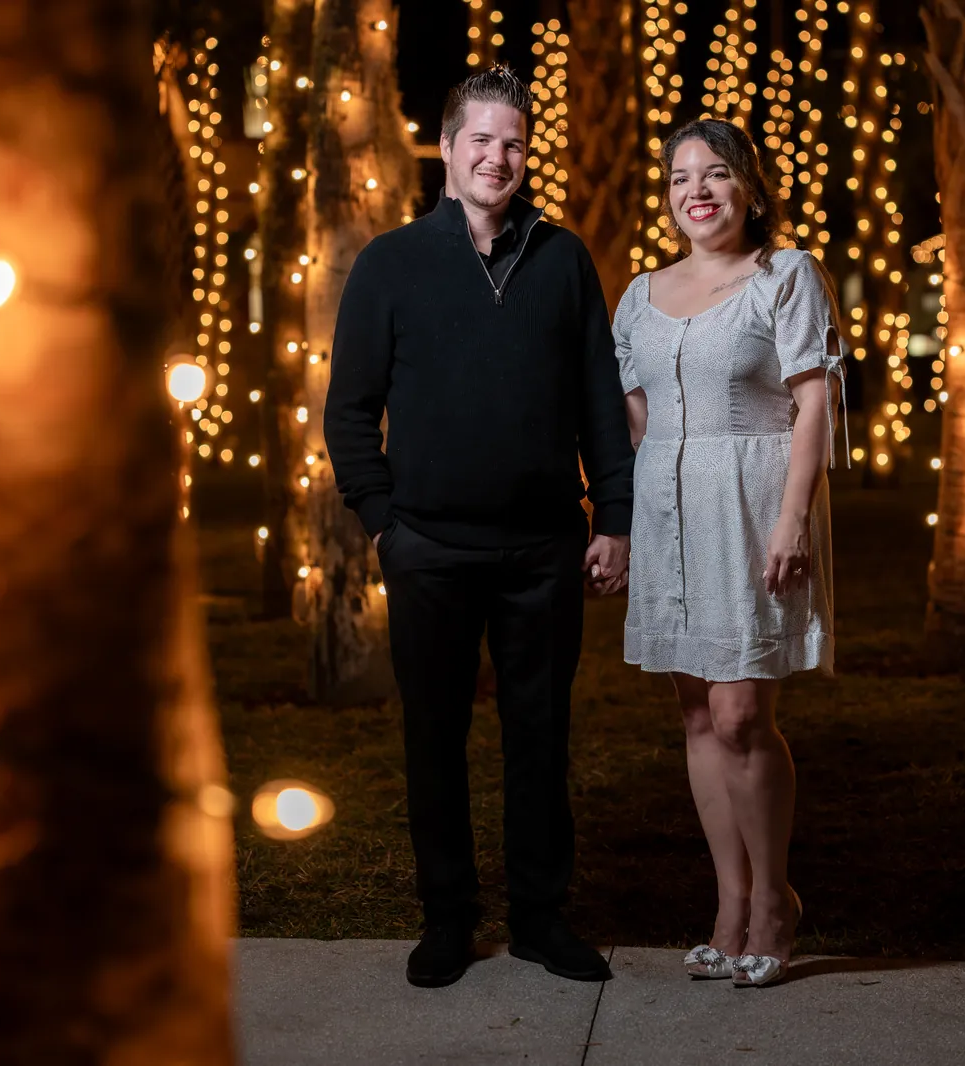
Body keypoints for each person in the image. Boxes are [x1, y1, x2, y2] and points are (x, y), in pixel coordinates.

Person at [323, 65, 634, 989]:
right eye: (481, 142)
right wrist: (383, 522)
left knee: (540, 736)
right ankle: (447, 920)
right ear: (449, 151)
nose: (498, 157)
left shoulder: (565, 259)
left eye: (513, 143)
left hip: (544, 547)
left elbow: (599, 407)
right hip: (429, 549)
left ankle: (541, 919)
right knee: (435, 736)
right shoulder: (390, 264)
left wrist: (611, 517)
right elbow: (350, 411)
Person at [611, 118, 846, 989]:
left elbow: (813, 403)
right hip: (670, 511)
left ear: (750, 187)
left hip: (752, 506)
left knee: (745, 712)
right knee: (699, 716)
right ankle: (728, 901)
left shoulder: (784, 276)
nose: (696, 191)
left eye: (714, 174)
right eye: (679, 178)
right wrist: (630, 522)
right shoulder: (640, 293)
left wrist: (793, 517)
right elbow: (638, 418)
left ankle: (774, 900)